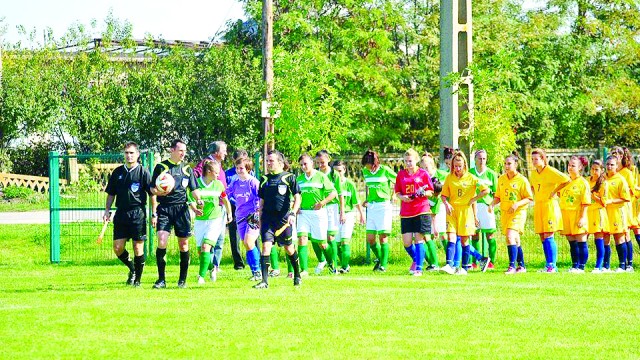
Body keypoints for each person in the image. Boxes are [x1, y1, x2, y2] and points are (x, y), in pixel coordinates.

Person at [150, 139, 202, 289]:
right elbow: (152, 189)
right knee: (161, 240)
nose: (183, 153)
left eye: (184, 151)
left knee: (183, 244)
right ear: (172, 150)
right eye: (180, 150)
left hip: (181, 209)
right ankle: (161, 280)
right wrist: (159, 191)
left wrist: (199, 200)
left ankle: (182, 280)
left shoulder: (187, 169)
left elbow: (194, 188)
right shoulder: (161, 167)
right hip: (165, 208)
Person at [103, 142, 153, 287]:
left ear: (137, 154)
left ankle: (137, 280)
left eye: (132, 153)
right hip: (121, 213)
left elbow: (152, 195)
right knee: (118, 248)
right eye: (126, 153)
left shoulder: (143, 172)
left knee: (138, 247)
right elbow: (111, 193)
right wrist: (107, 210)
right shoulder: (118, 172)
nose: (129, 155)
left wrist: (154, 213)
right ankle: (132, 269)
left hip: (138, 213)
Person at [254, 150, 302, 289]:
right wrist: (258, 214)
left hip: (284, 220)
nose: (268, 163)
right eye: (267, 160)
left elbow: (298, 197)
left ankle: (297, 275)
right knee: (265, 247)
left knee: (289, 248)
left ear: (280, 162)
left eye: (271, 161)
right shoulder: (264, 179)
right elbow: (261, 200)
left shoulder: (289, 177)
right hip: (268, 218)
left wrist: (293, 213)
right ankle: (264, 281)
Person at [440, 151, 489, 275]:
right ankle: (449, 265)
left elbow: (485, 190)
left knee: (464, 240)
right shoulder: (449, 177)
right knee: (450, 237)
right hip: (452, 211)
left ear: (464, 165)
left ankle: (464, 268)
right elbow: (444, 195)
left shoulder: (471, 178)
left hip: (465, 212)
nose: (457, 168)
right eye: (455, 166)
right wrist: (446, 204)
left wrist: (473, 199)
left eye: (460, 166)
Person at [189, 159, 233, 284]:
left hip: (215, 220)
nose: (218, 176)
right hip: (200, 221)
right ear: (208, 172)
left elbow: (225, 201)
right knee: (201, 251)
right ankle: (211, 267)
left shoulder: (219, 185)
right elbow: (190, 201)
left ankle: (201, 277)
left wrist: (229, 214)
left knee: (206, 246)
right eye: (216, 173)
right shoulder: (196, 184)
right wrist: (194, 209)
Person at [529, 148, 570, 273]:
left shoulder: (550, 171)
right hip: (539, 206)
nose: (534, 162)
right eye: (532, 159)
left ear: (543, 159)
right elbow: (533, 186)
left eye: (536, 159)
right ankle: (548, 265)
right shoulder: (533, 173)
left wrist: (554, 191)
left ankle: (552, 265)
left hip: (549, 206)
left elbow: (566, 179)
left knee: (548, 234)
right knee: (542, 236)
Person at [395, 148, 434, 276]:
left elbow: (431, 191)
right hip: (406, 212)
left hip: (421, 210)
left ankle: (419, 268)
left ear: (416, 160)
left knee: (418, 239)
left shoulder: (423, 174)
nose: (408, 163)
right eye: (406, 161)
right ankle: (417, 259)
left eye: (410, 161)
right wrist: (403, 198)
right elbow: (398, 192)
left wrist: (423, 192)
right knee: (406, 242)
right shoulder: (401, 174)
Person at [491, 153, 533, 274]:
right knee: (515, 239)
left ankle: (511, 266)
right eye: (505, 163)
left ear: (516, 164)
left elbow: (529, 198)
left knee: (510, 236)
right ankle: (522, 265)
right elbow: (498, 196)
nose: (506, 166)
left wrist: (516, 204)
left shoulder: (522, 180)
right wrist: (491, 204)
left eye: (509, 163)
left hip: (518, 213)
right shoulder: (502, 179)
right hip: (505, 213)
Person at [297, 154, 337, 275]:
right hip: (303, 213)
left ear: (312, 163)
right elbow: (294, 195)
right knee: (302, 239)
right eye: (301, 165)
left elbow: (333, 193)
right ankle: (304, 270)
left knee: (322, 244)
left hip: (318, 214)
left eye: (305, 164)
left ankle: (332, 264)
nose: (303, 167)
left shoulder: (321, 176)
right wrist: (296, 206)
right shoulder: (299, 179)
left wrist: (322, 202)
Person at [226, 157, 262, 281]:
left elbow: (260, 197)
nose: (239, 170)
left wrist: (258, 209)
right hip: (240, 216)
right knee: (247, 244)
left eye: (241, 168)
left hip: (253, 215)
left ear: (247, 168)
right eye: (237, 168)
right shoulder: (235, 183)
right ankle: (255, 272)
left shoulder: (253, 182)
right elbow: (227, 194)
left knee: (249, 242)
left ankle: (258, 271)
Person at [361, 149, 397, 272]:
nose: (368, 167)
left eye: (369, 165)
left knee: (382, 237)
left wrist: (394, 195)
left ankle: (383, 265)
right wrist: (368, 199)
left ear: (375, 163)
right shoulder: (365, 171)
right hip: (371, 206)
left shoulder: (384, 170)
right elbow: (372, 188)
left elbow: (398, 181)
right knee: (370, 238)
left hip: (383, 206)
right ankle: (381, 258)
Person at [558, 156, 591, 273]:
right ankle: (574, 265)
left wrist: (582, 217)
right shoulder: (565, 181)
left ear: (580, 167)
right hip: (566, 214)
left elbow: (586, 203)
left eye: (573, 165)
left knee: (581, 240)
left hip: (578, 214)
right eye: (569, 165)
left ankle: (581, 266)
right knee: (571, 241)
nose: (570, 167)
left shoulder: (583, 183)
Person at [315, 150, 345, 274]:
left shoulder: (334, 175)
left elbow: (340, 193)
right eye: (318, 162)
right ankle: (322, 260)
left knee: (330, 236)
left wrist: (342, 212)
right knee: (317, 236)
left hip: (331, 208)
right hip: (319, 208)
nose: (320, 165)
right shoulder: (315, 174)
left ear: (328, 160)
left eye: (322, 162)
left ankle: (334, 266)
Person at [332, 160, 365, 273]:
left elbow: (356, 201)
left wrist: (361, 214)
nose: (338, 173)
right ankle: (341, 264)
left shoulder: (350, 184)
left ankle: (344, 267)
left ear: (345, 170)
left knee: (345, 241)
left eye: (340, 171)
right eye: (335, 171)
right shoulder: (331, 184)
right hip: (333, 215)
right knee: (335, 243)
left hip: (347, 215)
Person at [469, 149, 497, 270]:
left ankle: (491, 262)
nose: (482, 161)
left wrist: (492, 205)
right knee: (474, 234)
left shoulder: (491, 174)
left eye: (484, 158)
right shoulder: (470, 173)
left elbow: (496, 193)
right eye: (479, 158)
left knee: (490, 235)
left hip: (487, 207)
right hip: (473, 206)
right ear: (475, 159)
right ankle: (477, 261)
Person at [603, 155, 632, 273]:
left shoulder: (620, 179)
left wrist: (611, 201)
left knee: (619, 237)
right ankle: (606, 266)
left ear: (616, 165)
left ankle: (622, 265)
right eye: (608, 164)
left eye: (612, 165)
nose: (609, 167)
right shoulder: (603, 178)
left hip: (617, 212)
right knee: (605, 238)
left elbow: (626, 198)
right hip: (604, 213)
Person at [225, 149, 250, 271]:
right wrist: (235, 202)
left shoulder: (251, 173)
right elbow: (226, 192)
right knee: (234, 236)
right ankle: (238, 263)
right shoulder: (228, 174)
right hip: (234, 207)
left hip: (249, 208)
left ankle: (253, 260)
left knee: (252, 234)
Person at [420, 152, 446, 270]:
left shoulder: (442, 175)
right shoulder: (421, 178)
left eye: (427, 167)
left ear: (433, 166)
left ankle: (450, 261)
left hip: (440, 209)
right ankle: (431, 262)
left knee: (443, 236)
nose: (425, 170)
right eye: (422, 167)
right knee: (425, 236)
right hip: (427, 210)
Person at [588, 159, 609, 273]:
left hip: (598, 212)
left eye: (597, 170)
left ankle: (599, 265)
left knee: (599, 238)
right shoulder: (587, 181)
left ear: (602, 171)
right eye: (592, 169)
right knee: (582, 238)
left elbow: (604, 202)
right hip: (587, 212)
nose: (594, 172)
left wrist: (592, 195)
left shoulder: (603, 183)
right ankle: (580, 265)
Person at [619, 148, 637, 271]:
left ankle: (629, 264)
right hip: (614, 208)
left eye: (617, 154)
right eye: (612, 153)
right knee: (619, 234)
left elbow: (632, 191)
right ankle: (622, 263)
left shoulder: (627, 173)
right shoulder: (612, 173)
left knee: (626, 233)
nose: (614, 156)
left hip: (625, 206)